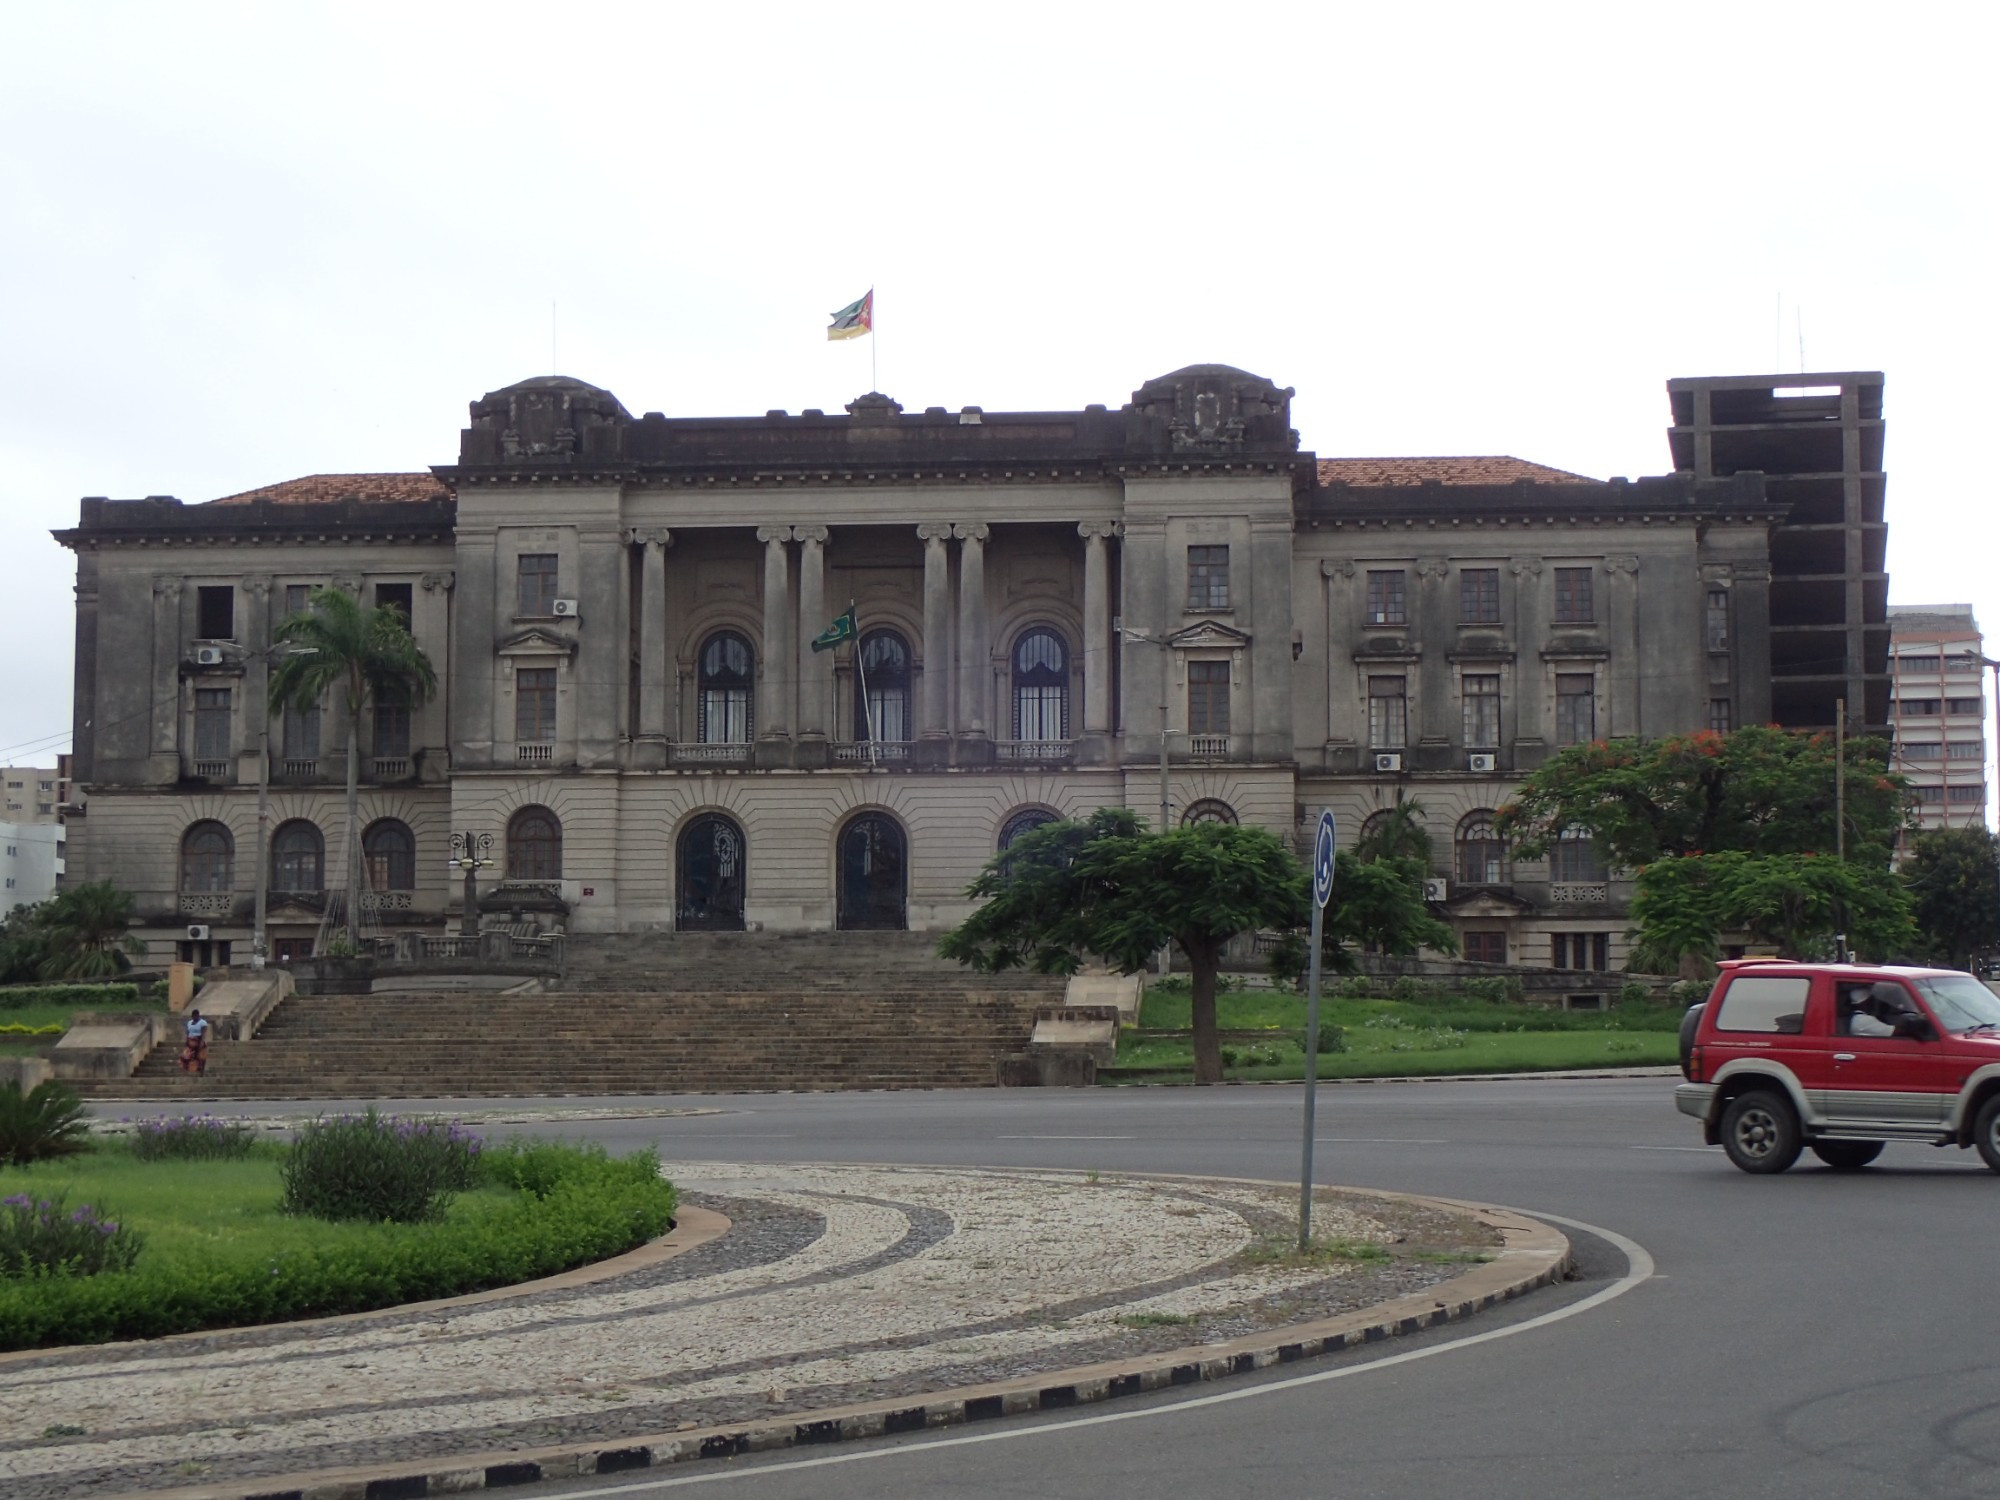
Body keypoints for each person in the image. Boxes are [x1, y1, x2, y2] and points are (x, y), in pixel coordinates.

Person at [179, 1008, 211, 1075]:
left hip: (199, 1039)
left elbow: (203, 1033)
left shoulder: (203, 1023)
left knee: (201, 1056)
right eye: (193, 1016)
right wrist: (186, 1040)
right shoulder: (189, 1023)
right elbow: (188, 1032)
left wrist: (201, 1042)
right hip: (190, 1041)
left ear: (198, 1016)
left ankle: (201, 1071)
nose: (194, 1018)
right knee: (185, 1056)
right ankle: (188, 1070)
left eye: (195, 1016)